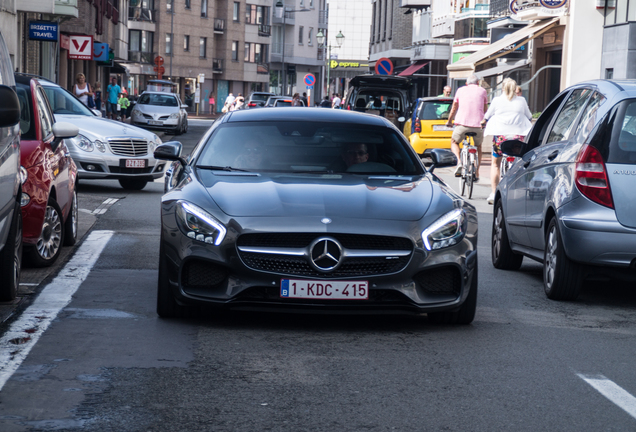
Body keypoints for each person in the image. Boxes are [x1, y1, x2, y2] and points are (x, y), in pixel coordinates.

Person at [483, 78, 532, 204]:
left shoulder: (496, 100)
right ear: (515, 88)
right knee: (519, 163)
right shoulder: (521, 100)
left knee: (495, 164)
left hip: (501, 137)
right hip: (517, 137)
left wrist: (483, 121)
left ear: (503, 88)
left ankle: (494, 193)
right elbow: (530, 116)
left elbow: (487, 116)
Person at [445, 74, 488, 180]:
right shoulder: (482, 91)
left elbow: (454, 107)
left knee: (454, 142)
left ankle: (459, 162)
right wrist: (485, 121)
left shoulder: (460, 90)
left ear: (466, 84)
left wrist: (449, 121)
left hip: (462, 125)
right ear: (478, 83)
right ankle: (477, 172)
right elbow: (485, 108)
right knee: (478, 146)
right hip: (478, 126)